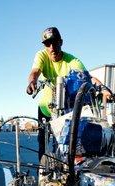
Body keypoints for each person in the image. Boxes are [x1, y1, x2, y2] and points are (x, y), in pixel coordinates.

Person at [26, 27, 87, 160]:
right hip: (45, 109)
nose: (52, 47)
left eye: (55, 43)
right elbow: (35, 71)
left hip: (65, 109)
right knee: (42, 142)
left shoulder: (72, 60)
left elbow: (86, 76)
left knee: (68, 141)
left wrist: (102, 88)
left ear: (61, 42)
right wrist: (32, 81)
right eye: (48, 44)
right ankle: (42, 174)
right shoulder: (42, 55)